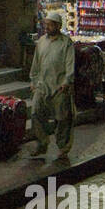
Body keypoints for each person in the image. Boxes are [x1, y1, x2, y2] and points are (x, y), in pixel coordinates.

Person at [27, 10, 76, 159]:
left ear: (58, 26)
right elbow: (36, 64)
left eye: (50, 24)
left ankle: (63, 147)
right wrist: (33, 81)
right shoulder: (41, 41)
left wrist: (67, 82)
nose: (46, 27)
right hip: (42, 85)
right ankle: (42, 143)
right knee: (35, 113)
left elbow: (70, 65)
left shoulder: (66, 43)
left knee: (62, 119)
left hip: (59, 87)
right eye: (45, 24)